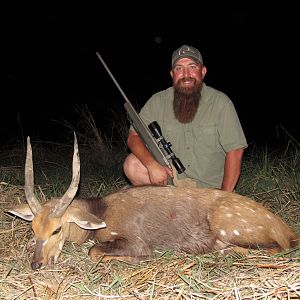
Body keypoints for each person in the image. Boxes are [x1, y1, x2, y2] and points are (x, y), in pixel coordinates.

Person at [123, 45, 248, 192]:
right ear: (172, 74)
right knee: (132, 165)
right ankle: (165, 207)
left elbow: (235, 150)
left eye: (192, 67)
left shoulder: (220, 102)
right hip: (173, 182)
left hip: (211, 189)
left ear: (203, 71)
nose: (186, 74)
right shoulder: (158, 101)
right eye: (179, 68)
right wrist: (152, 165)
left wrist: (224, 197)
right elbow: (133, 136)